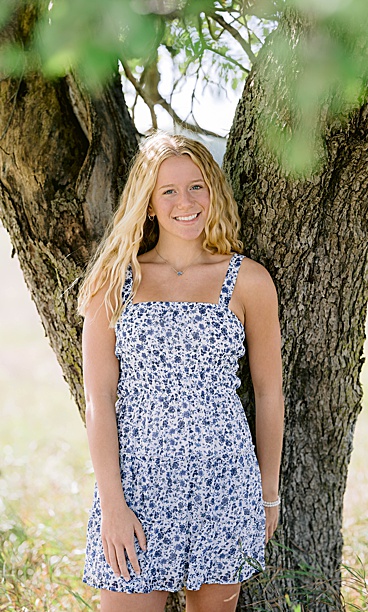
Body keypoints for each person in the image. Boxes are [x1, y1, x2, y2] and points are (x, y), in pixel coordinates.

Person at [77, 132, 284, 612]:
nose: (185, 202)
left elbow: (269, 391)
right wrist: (112, 503)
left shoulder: (248, 280)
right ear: (148, 203)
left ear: (213, 192)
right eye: (168, 191)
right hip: (138, 488)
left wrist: (267, 495)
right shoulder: (115, 281)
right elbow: (99, 398)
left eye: (196, 187)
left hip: (224, 484)